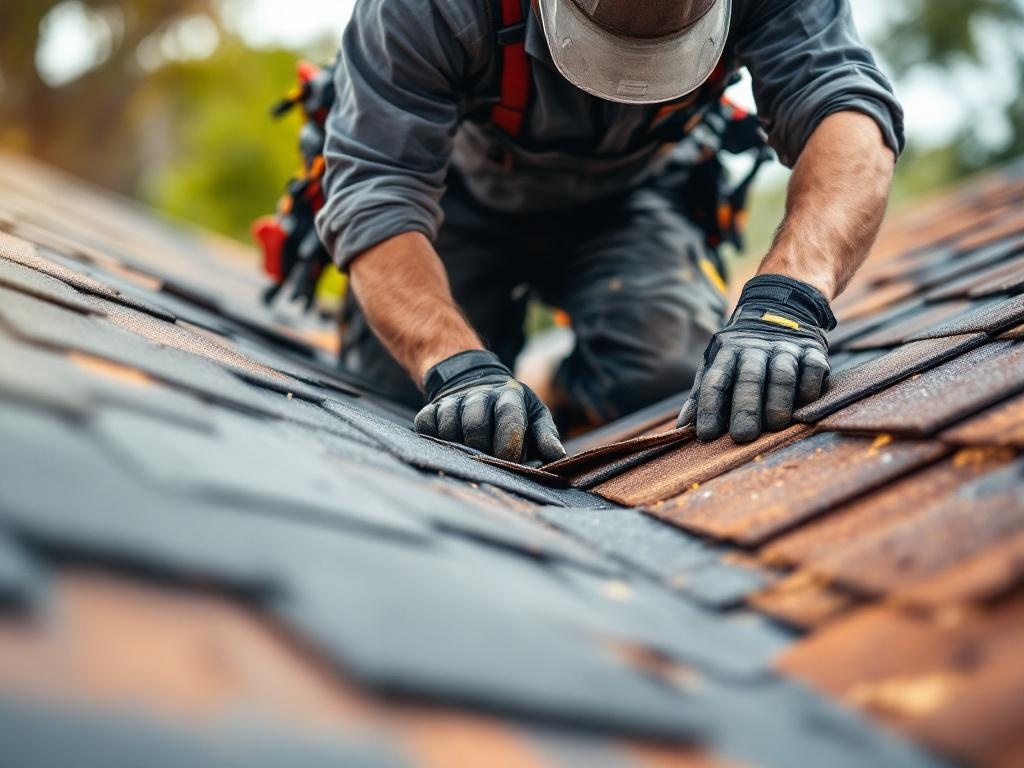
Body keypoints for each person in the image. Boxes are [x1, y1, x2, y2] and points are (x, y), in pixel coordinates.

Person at [315, 0, 903, 463]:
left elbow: (846, 109)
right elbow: (378, 189)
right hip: (459, 202)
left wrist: (787, 300)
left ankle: (550, 380)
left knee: (672, 377)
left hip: (637, 195)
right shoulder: (429, 9)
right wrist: (453, 363)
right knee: (405, 404)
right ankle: (487, 366)